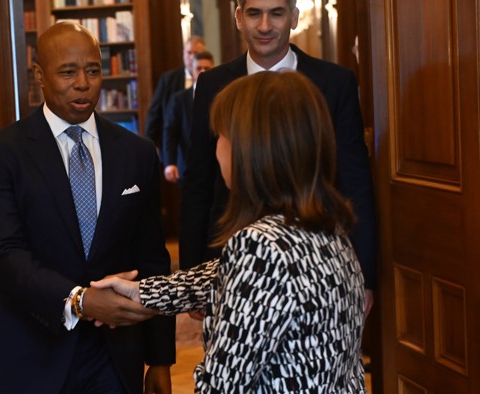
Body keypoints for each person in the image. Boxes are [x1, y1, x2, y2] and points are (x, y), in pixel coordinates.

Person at [93, 71, 367, 392]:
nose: (216, 149)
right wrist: (142, 294)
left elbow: (221, 384)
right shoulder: (325, 229)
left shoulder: (261, 248)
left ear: (251, 149)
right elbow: (219, 274)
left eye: (221, 136)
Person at [0, 21, 175, 394]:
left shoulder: (137, 153)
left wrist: (160, 359)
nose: (83, 83)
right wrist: (79, 301)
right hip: (31, 352)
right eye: (68, 72)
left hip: (115, 358)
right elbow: (2, 254)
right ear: (39, 76)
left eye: (93, 70)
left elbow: (152, 259)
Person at [178, 0, 377, 317]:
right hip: (229, 259)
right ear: (239, 18)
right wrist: (191, 276)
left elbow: (354, 181)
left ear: (294, 17)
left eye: (276, 13)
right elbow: (199, 182)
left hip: (316, 265)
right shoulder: (213, 85)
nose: (265, 26)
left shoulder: (334, 83)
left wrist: (365, 273)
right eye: (255, 13)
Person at [162, 51, 215, 186]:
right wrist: (170, 163)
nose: (203, 72)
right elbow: (170, 133)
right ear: (191, 70)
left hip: (216, 166)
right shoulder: (179, 99)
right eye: (199, 68)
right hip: (187, 166)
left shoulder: (222, 96)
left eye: (207, 68)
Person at [144, 35, 206, 150]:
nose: (192, 57)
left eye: (196, 53)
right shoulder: (168, 80)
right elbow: (154, 113)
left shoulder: (210, 79)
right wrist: (150, 144)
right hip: (174, 147)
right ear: (183, 54)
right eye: (189, 53)